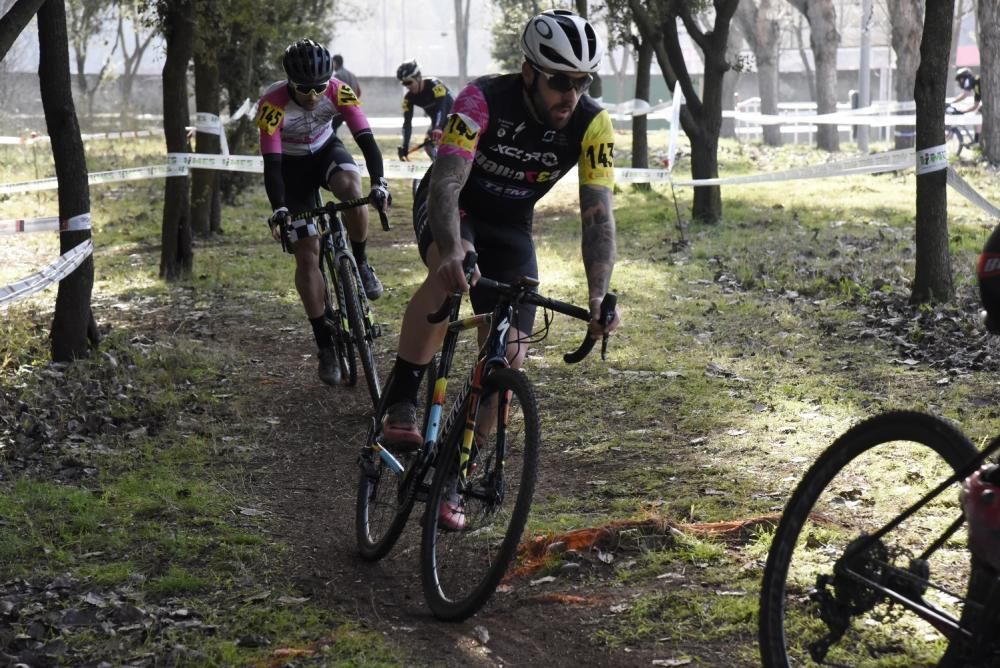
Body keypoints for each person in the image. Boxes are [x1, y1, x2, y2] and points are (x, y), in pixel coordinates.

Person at [379, 9, 622, 529]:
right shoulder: (480, 99)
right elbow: (446, 182)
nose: (571, 95)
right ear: (530, 71)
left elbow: (598, 214)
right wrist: (449, 251)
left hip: (511, 225)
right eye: (560, 81)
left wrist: (600, 295)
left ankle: (454, 472)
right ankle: (401, 400)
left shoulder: (593, 123)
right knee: (449, 281)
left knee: (511, 353)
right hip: (456, 207)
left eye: (582, 82)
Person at [256, 38, 390, 386]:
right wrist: (280, 209)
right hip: (290, 169)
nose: (314, 95)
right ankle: (325, 344)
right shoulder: (272, 103)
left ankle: (359, 261)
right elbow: (271, 164)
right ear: (289, 82)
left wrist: (381, 183)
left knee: (351, 186)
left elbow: (366, 141)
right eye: (304, 89)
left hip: (326, 151)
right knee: (307, 252)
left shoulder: (339, 91)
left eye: (319, 87)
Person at [395, 59, 454, 162]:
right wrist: (405, 147)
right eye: (404, 84)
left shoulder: (435, 84)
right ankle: (439, 170)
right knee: (429, 147)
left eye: (409, 82)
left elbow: (442, 106)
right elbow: (407, 123)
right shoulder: (408, 98)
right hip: (438, 121)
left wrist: (437, 127)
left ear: (418, 77)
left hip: (453, 117)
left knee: (447, 148)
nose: (408, 86)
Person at [951, 67, 982, 140]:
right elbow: (975, 106)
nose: (960, 82)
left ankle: (977, 141)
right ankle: (978, 140)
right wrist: (962, 112)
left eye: (960, 79)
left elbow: (965, 94)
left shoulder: (969, 80)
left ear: (963, 77)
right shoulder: (976, 87)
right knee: (978, 115)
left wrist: (952, 102)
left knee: (978, 115)